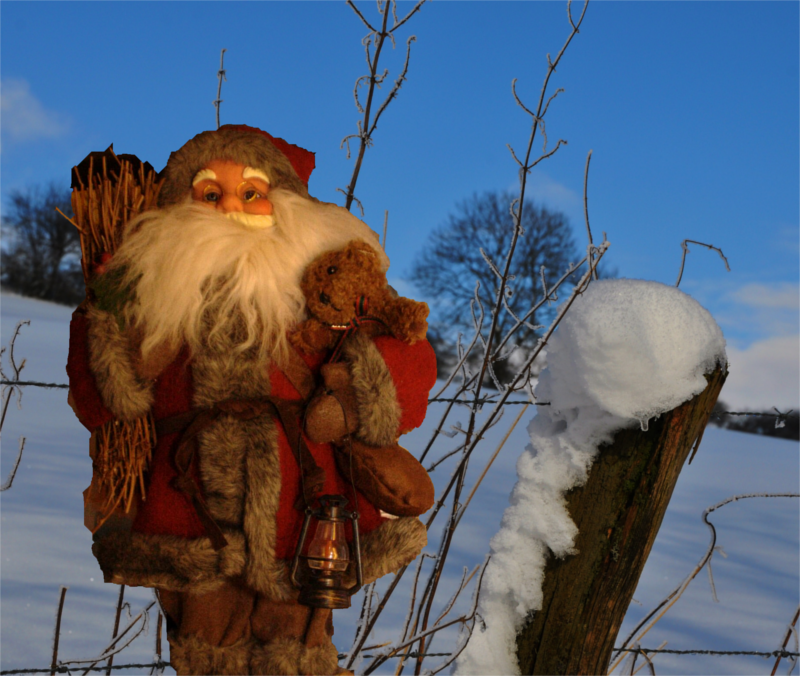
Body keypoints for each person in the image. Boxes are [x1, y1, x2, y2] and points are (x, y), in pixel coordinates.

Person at [66, 125, 437, 676]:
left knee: (300, 644)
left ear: (282, 203)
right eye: (210, 195)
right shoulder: (156, 296)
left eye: (251, 192)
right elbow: (100, 401)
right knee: (205, 643)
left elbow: (408, 364)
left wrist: (356, 402)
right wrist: (115, 331)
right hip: (190, 505)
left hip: (303, 503)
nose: (231, 208)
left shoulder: (319, 284)